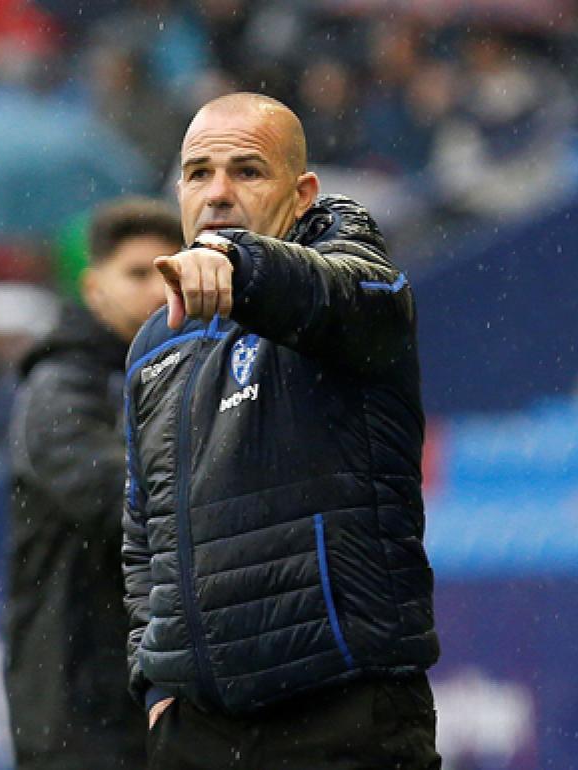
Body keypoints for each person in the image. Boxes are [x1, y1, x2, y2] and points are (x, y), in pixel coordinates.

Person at [121, 93, 441, 769]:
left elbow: (340, 292)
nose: (217, 194)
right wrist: (155, 679)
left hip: (338, 715)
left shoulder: (356, 289)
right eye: (198, 172)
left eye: (247, 171)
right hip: (198, 732)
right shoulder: (153, 344)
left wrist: (240, 264)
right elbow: (142, 531)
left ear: (302, 194)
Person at [6, 197, 181, 770]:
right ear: (91, 285)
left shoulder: (184, 375)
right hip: (78, 699)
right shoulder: (59, 387)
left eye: (169, 273)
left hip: (157, 690)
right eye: (136, 274)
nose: (157, 292)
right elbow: (115, 497)